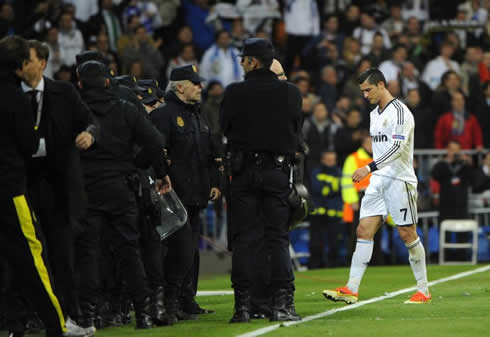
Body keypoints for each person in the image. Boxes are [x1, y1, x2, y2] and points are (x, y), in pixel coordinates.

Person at [0, 35, 94, 337]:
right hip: (15, 187)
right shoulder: (13, 96)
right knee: (30, 255)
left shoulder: (62, 93)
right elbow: (28, 142)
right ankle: (54, 323)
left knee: (55, 256)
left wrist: (90, 133)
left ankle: (55, 315)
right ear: (20, 65)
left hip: (55, 191)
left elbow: (88, 121)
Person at [323, 68, 431, 305]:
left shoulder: (401, 112)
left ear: (381, 85)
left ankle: (423, 291)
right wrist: (374, 173)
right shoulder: (374, 114)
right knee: (363, 230)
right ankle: (351, 289)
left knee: (407, 233)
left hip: (399, 181)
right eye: (362, 91)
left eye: (368, 90)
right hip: (379, 181)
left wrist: (368, 168)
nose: (365, 95)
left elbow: (397, 149)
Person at [75, 60, 170, 330]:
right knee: (130, 251)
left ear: (80, 84)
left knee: (89, 254)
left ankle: (89, 315)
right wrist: (142, 166)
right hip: (121, 188)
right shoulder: (126, 109)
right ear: (108, 82)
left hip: (87, 190)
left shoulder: (76, 111)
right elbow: (155, 141)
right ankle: (142, 314)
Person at [220, 38, 303, 323]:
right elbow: (296, 130)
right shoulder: (291, 93)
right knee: (278, 238)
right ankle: (282, 304)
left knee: (244, 240)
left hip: (243, 174)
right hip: (276, 173)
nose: (241, 63)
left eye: (244, 59)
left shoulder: (234, 93)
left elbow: (225, 128)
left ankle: (242, 307)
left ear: (253, 62)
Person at [150, 65, 221, 318]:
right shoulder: (164, 115)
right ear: (180, 86)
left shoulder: (197, 114)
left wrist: (214, 182)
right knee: (177, 251)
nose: (200, 87)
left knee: (191, 250)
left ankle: (187, 298)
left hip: (196, 194)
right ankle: (171, 301)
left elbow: (208, 152)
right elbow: (158, 152)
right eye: (195, 83)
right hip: (174, 196)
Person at [308, 151, 344, 268]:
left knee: (335, 242)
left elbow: (340, 188)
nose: (331, 162)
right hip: (318, 213)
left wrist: (327, 188)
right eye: (328, 159)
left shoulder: (339, 172)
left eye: (333, 160)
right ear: (322, 160)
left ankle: (334, 265)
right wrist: (331, 188)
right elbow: (316, 188)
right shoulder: (316, 172)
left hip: (334, 212)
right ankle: (315, 265)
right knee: (316, 241)